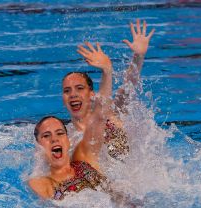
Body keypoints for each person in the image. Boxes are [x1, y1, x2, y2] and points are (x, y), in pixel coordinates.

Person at [29, 42, 114, 200]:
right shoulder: (42, 183)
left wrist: (107, 71)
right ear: (38, 146)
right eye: (46, 136)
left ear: (68, 141)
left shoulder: (83, 157)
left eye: (60, 133)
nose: (54, 138)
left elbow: (100, 117)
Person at [62, 19, 155, 159]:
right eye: (67, 90)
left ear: (91, 94)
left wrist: (138, 56)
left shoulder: (112, 115)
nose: (73, 94)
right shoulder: (67, 136)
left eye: (79, 88)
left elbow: (128, 88)